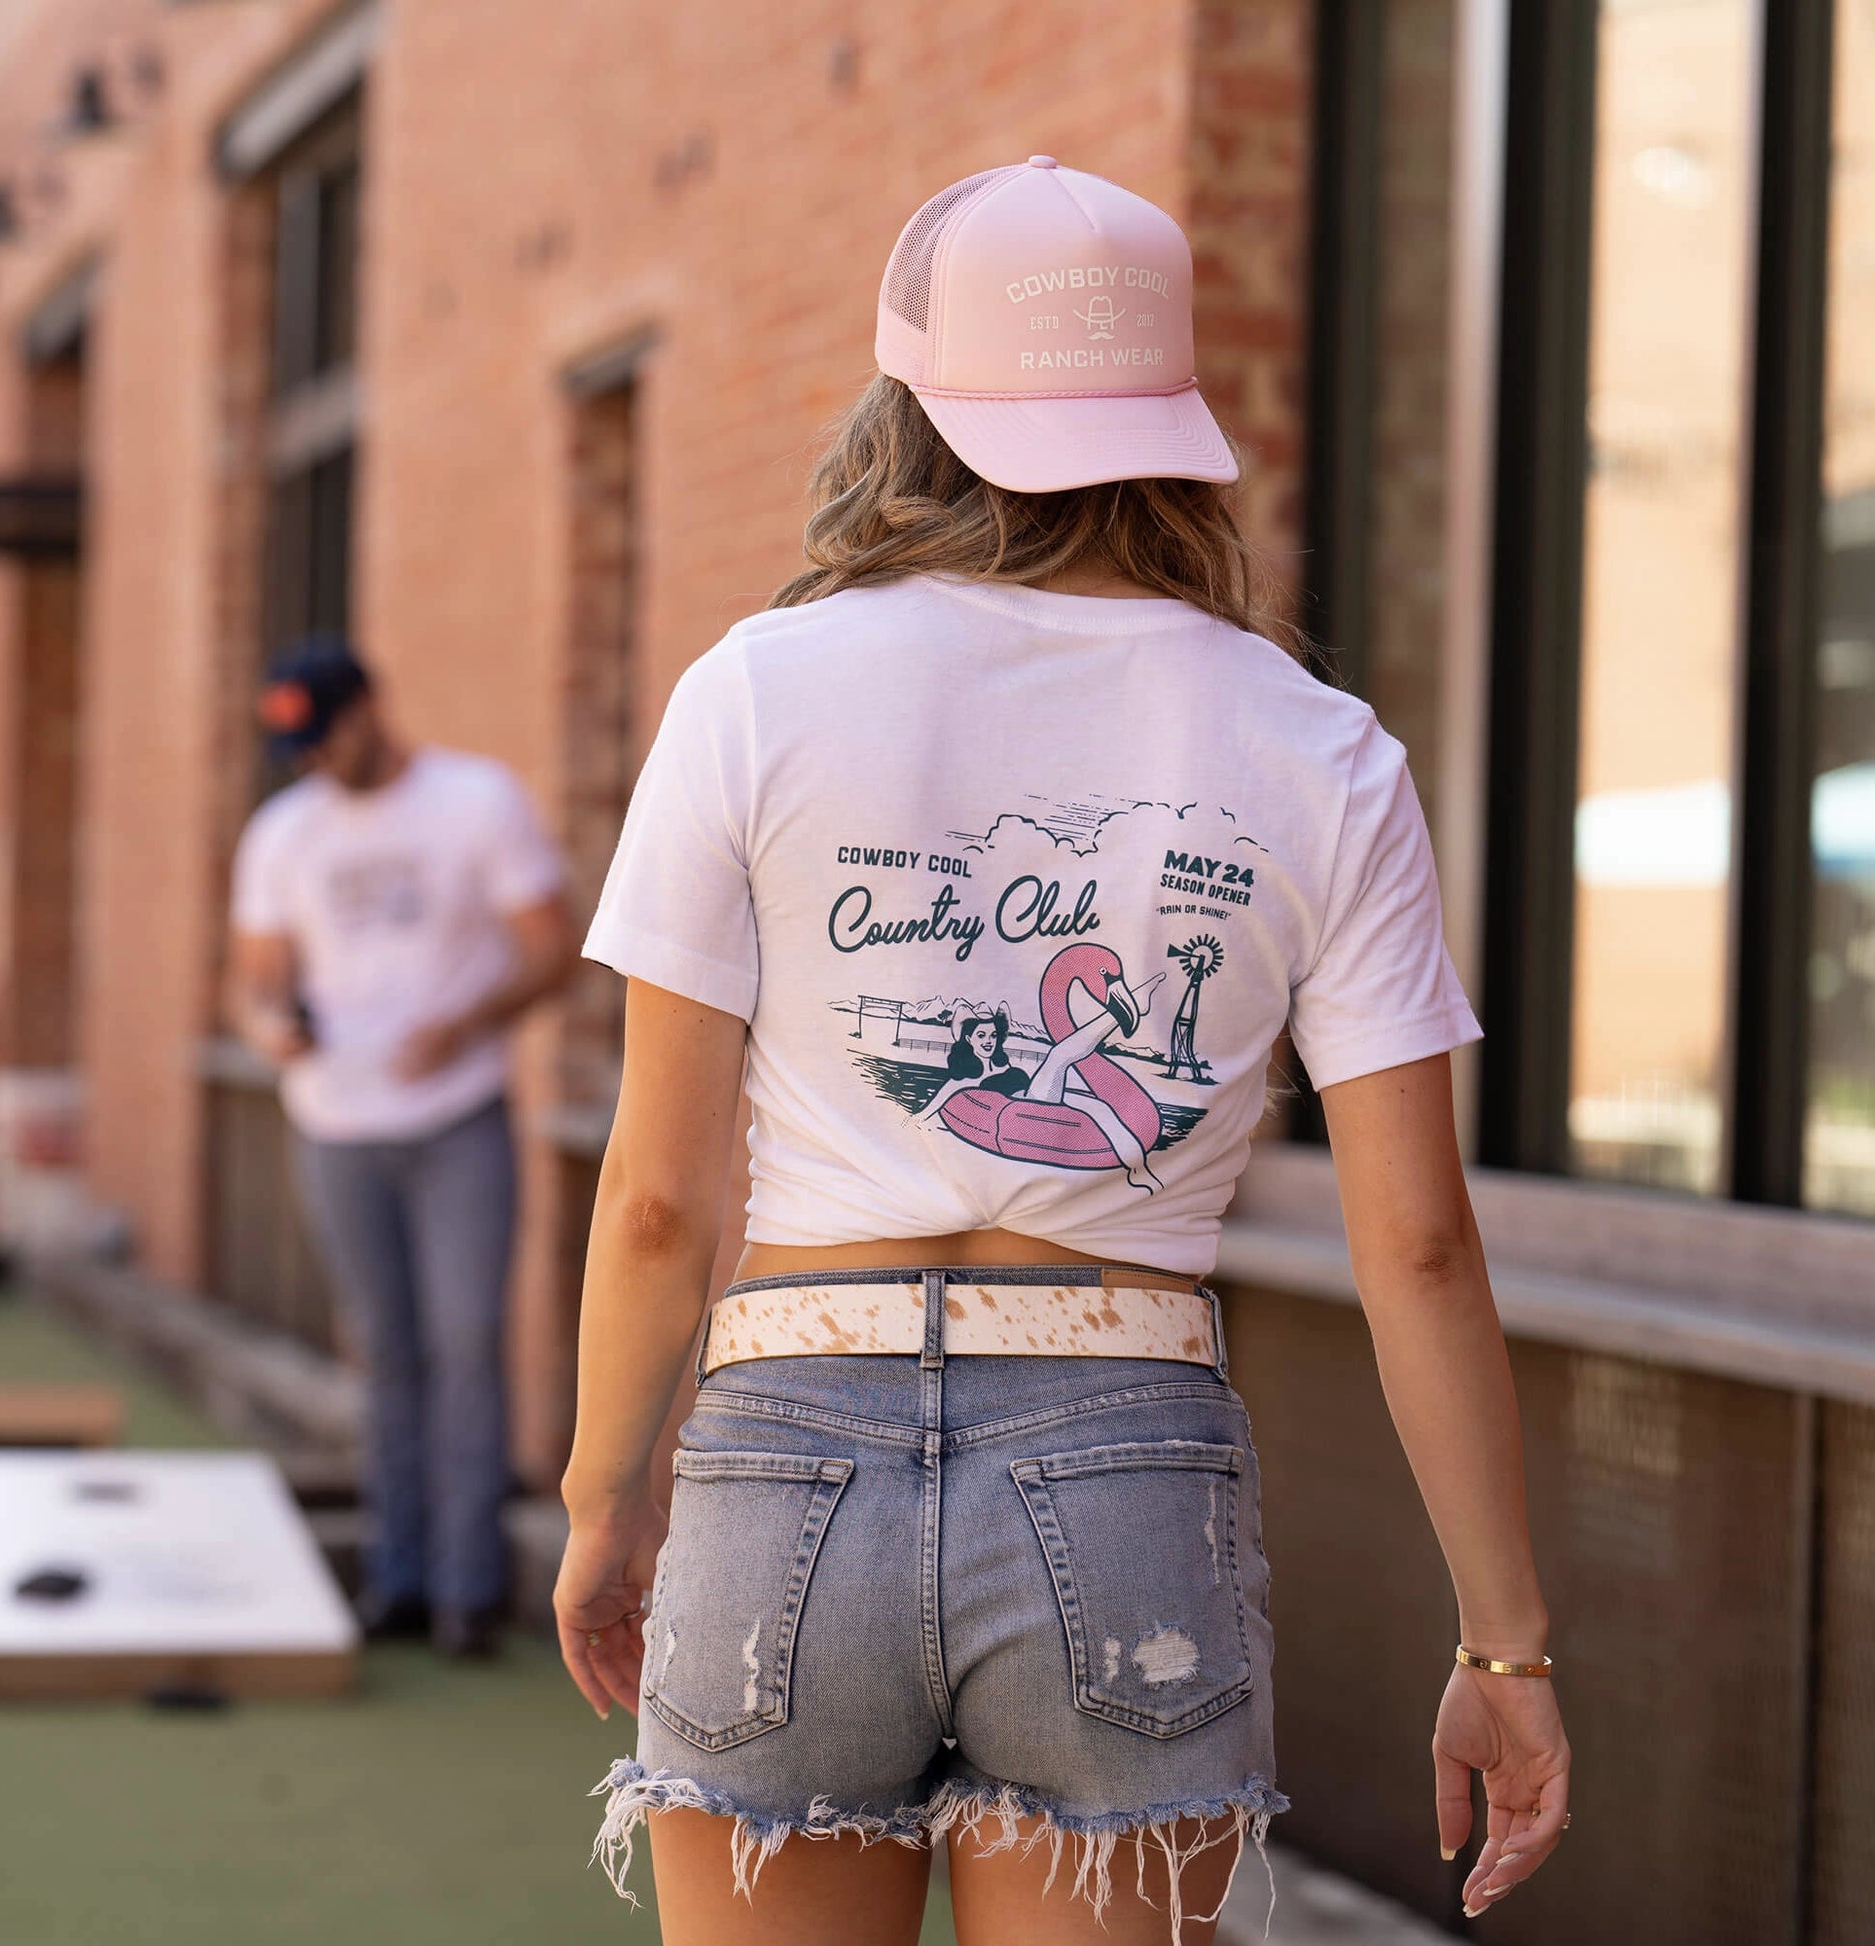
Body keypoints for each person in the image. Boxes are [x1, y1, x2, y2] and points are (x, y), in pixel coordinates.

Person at [556, 157, 1571, 1943]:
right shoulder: (1321, 749)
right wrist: (1504, 1639)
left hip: (787, 1441)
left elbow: (654, 1197)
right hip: (1125, 1461)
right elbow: (1415, 1239)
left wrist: (601, 1500)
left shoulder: (754, 691)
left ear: (909, 410)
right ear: (1170, 428)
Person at [227, 637, 576, 1659]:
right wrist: (264, 1027)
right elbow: (249, 979)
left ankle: (469, 1590)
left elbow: (552, 945)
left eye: (321, 735)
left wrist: (468, 1023)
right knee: (384, 1348)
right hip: (333, 1124)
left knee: (465, 1337)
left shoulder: (477, 799)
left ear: (367, 707)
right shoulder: (282, 832)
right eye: (292, 746)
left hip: (458, 1115)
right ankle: (398, 1579)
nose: (311, 761)